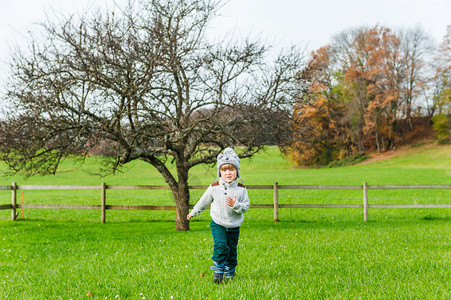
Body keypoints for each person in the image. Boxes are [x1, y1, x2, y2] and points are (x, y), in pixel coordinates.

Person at [187, 147, 250, 283]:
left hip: (234, 225)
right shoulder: (214, 187)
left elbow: (246, 206)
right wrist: (193, 212)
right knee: (221, 245)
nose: (228, 173)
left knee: (232, 249)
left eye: (231, 169)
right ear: (219, 172)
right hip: (218, 223)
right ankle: (219, 267)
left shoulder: (241, 189)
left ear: (237, 171)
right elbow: (203, 201)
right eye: (224, 170)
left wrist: (236, 204)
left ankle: (230, 269)